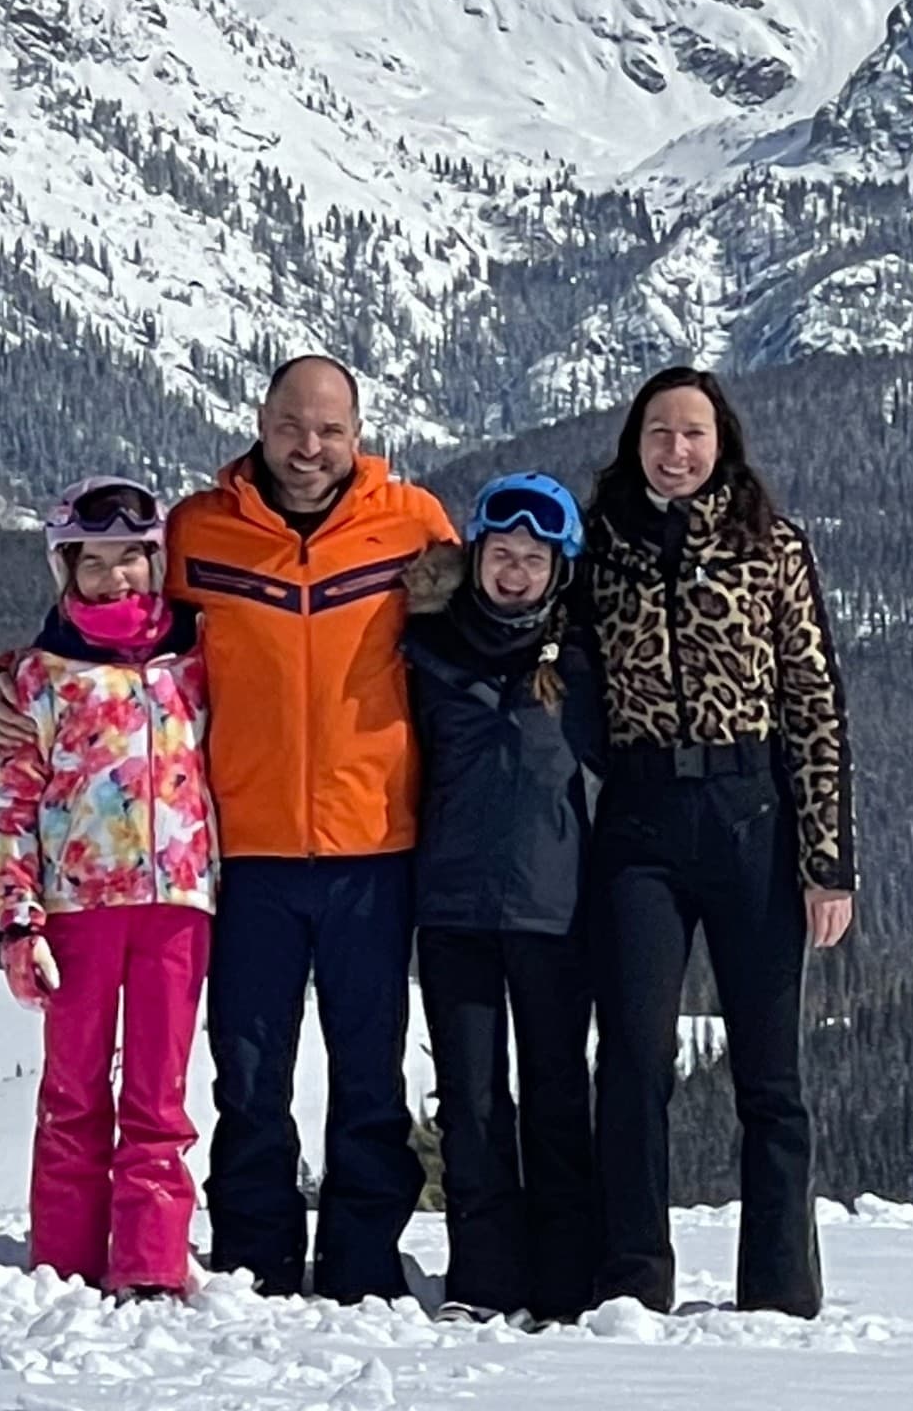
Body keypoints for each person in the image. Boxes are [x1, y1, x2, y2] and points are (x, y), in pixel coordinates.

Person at [0, 355, 455, 1304]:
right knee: (249, 1072)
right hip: (244, 854)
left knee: (369, 1074)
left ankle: (364, 1265)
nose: (308, 446)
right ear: (262, 422)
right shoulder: (203, 530)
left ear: (360, 433)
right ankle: (254, 1258)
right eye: (291, 425)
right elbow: (105, 630)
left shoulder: (414, 525)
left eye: (328, 429)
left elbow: (483, 628)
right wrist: (2, 682)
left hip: (374, 843)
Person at [583, 366, 855, 1320]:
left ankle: (780, 1292)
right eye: (659, 431)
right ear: (636, 442)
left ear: (722, 442)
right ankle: (630, 1280)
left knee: (770, 1076)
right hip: (640, 820)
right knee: (633, 1061)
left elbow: (815, 706)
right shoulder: (598, 548)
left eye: (693, 432)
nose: (676, 450)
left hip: (752, 816)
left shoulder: (772, 548)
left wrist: (829, 862)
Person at [0, 475, 216, 1301]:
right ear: (66, 573)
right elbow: (12, 808)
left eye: (131, 561)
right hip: (78, 906)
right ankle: (65, 1256)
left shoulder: (196, 660)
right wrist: (19, 922)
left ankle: (151, 1257)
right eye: (95, 564)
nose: (115, 579)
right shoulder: (44, 678)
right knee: (75, 1088)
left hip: (177, 906)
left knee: (158, 1091)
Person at [401, 472, 603, 1326]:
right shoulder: (423, 652)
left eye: (533, 558)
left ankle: (565, 1281)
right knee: (472, 1099)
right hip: (451, 910)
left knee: (557, 1094)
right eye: (501, 554)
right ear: (474, 556)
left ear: (558, 570)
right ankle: (484, 1277)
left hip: (554, 912)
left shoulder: (588, 662)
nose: (514, 573)